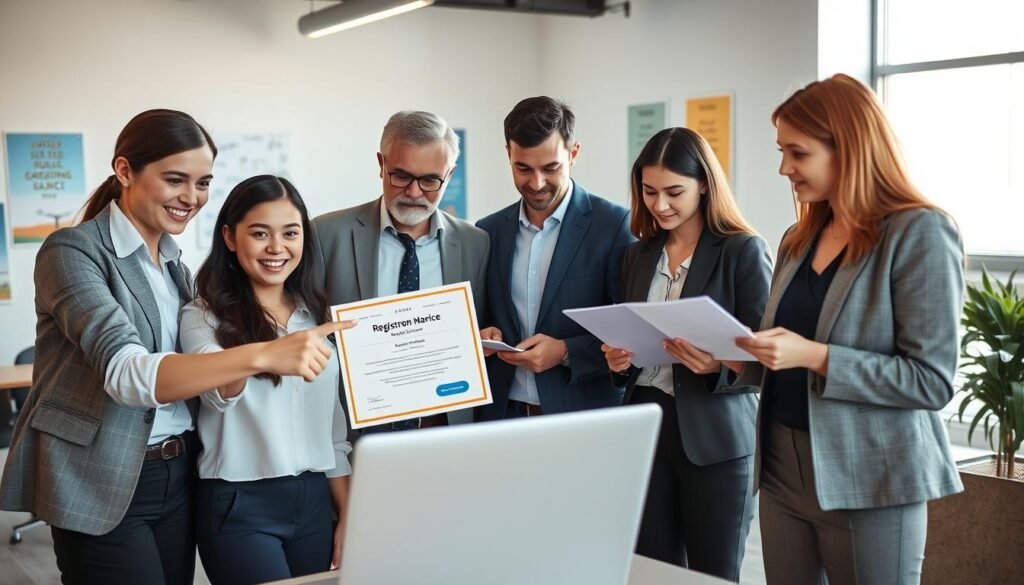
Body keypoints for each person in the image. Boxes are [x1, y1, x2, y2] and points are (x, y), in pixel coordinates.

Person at [0, 110, 348, 585]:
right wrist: (265, 352)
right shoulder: (72, 251)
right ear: (124, 171)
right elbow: (126, 373)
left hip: (177, 472)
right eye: (175, 179)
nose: (191, 197)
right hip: (100, 472)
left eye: (203, 183)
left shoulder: (176, 268)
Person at [732, 73, 965, 585]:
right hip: (781, 467)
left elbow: (930, 381)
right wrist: (730, 357)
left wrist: (816, 356)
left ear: (849, 149)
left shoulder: (919, 232)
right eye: (781, 151)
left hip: (872, 476)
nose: (783, 168)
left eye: (798, 153)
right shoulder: (798, 238)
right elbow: (781, 350)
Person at [600, 128, 771, 581]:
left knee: (714, 574)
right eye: (650, 191)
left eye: (674, 192)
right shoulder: (638, 255)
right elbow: (633, 338)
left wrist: (719, 364)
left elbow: (769, 358)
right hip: (647, 428)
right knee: (653, 572)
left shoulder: (742, 251)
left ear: (704, 186)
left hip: (715, 439)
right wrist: (618, 362)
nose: (660, 205)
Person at [180, 175, 353, 584]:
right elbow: (215, 393)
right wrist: (267, 356)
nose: (277, 248)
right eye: (260, 233)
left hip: (313, 499)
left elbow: (332, 433)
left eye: (290, 233)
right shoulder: (202, 316)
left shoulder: (318, 315)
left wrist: (348, 515)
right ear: (230, 237)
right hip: (239, 502)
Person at [312, 110, 489, 432]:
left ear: (449, 174)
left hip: (446, 427)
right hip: (355, 428)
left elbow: (483, 326)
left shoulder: (475, 243)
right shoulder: (326, 235)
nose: (414, 192)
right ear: (381, 164)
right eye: (401, 176)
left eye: (431, 180)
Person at [476, 96, 634, 421]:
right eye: (523, 168)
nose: (536, 183)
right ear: (508, 154)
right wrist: (485, 334)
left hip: (584, 417)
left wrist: (565, 352)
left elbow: (631, 331)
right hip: (504, 417)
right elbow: (482, 318)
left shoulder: (615, 226)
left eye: (551, 168)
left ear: (573, 153)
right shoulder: (488, 231)